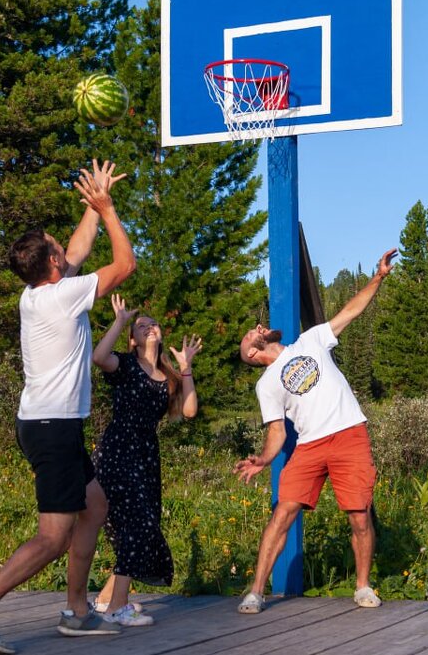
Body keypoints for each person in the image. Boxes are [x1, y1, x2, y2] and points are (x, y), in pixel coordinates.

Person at [0, 159, 136, 654]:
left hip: (51, 424)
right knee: (53, 537)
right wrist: (109, 210)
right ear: (53, 265)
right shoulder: (63, 297)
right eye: (56, 248)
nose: (62, 247)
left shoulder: (37, 293)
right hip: (51, 428)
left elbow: (75, 250)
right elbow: (124, 266)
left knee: (94, 506)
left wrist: (92, 204)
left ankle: (77, 612)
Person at [233, 247, 397, 614]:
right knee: (283, 512)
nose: (258, 329)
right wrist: (263, 459)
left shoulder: (309, 341)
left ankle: (362, 586)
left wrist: (377, 277)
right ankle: (256, 591)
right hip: (309, 446)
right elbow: (277, 430)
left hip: (349, 434)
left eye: (256, 328)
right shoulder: (267, 385)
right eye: (251, 334)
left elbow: (349, 312)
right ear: (252, 354)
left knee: (359, 513)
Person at [89, 295, 202, 626]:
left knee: (141, 528)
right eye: (143, 325)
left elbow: (190, 410)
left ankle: (107, 599)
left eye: (153, 324)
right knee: (137, 526)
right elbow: (98, 356)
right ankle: (116, 610)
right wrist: (121, 320)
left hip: (145, 456)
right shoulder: (124, 365)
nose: (150, 326)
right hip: (117, 451)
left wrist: (186, 369)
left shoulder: (167, 375)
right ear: (133, 339)